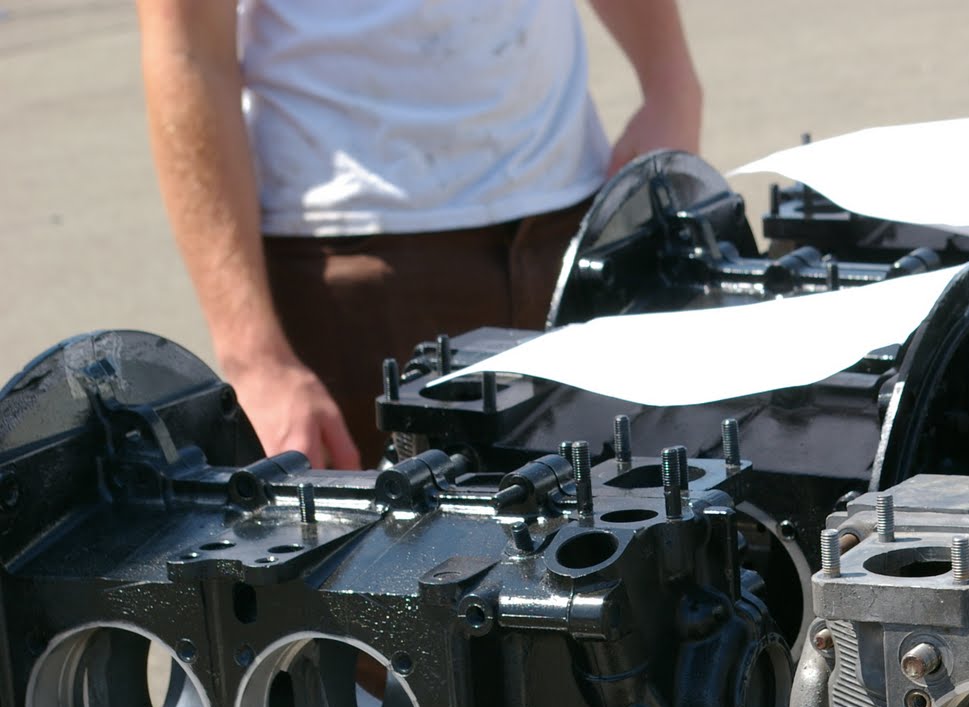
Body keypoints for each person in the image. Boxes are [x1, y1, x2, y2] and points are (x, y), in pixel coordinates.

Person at [135, 1, 702, 468]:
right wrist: (256, 361)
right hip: (352, 276)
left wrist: (670, 79)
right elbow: (186, 45)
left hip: (574, 224)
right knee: (394, 562)